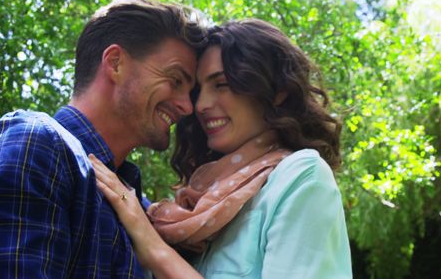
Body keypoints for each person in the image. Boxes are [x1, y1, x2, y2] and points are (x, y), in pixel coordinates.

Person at [0, 0, 206, 278]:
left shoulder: (136, 206)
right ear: (115, 63)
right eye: (175, 80)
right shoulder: (31, 146)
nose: (187, 107)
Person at [92, 19, 352, 278]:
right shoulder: (199, 203)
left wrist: (155, 250)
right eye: (198, 91)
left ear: (277, 92)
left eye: (221, 84)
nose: (201, 105)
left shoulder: (300, 176)